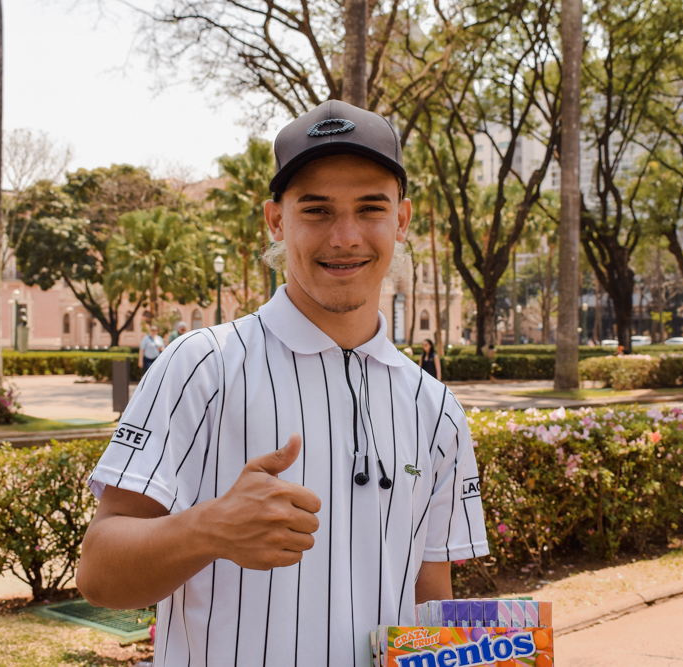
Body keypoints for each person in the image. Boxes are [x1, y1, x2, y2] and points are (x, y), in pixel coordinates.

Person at [77, 100, 488, 667]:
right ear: (276, 220)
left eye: (370, 208)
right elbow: (98, 573)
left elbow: (430, 599)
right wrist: (207, 529)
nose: (345, 237)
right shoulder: (203, 365)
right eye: (316, 210)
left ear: (402, 219)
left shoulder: (435, 407)